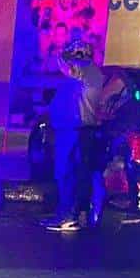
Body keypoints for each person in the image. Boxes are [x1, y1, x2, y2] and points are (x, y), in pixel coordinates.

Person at [42, 41, 123, 232]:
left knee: (67, 172)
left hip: (75, 130)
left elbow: (63, 62)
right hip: (73, 129)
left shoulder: (86, 70)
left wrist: (65, 53)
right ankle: (72, 213)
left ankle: (68, 215)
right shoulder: (88, 72)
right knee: (74, 172)